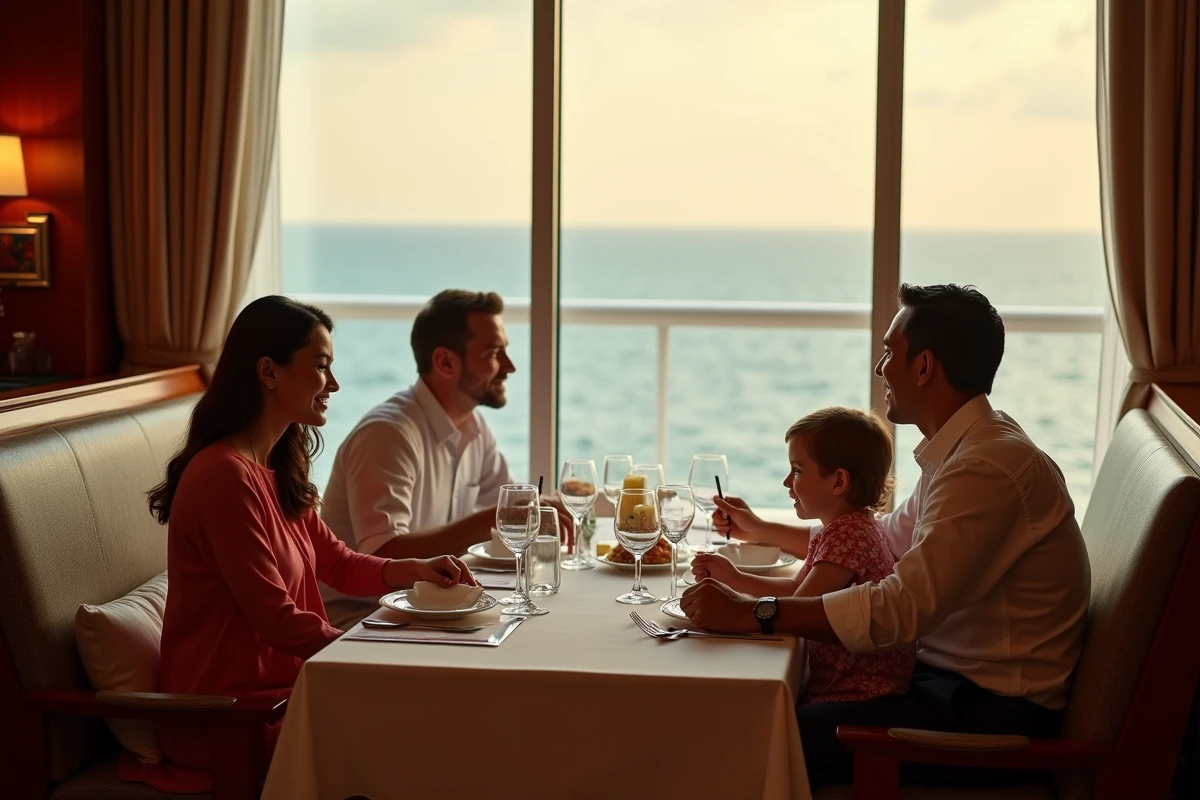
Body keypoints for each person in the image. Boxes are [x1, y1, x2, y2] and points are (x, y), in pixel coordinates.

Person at [681, 283, 1091, 788]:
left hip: (985, 716)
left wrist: (751, 612)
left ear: (923, 367)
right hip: (945, 684)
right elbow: (881, 542)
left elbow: (900, 608)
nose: (880, 370)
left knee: (746, 727)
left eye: (888, 353)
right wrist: (763, 530)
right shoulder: (967, 450)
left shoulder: (986, 468)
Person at [141, 296, 475, 785]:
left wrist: (419, 568)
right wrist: (368, 650)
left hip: (285, 695)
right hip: (229, 718)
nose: (334, 384)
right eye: (321, 367)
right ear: (268, 372)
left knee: (437, 717)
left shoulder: (274, 469)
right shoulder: (222, 478)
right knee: (424, 731)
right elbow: (277, 620)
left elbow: (338, 564)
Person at [320, 289, 569, 630]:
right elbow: (382, 553)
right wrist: (499, 516)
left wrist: (531, 514)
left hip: (434, 608)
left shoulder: (475, 428)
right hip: (364, 619)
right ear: (446, 362)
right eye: (494, 353)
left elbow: (504, 523)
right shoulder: (388, 433)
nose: (509, 366)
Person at [693, 406, 915, 705]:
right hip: (845, 689)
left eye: (797, 470)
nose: (787, 481)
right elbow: (798, 595)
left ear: (838, 482)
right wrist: (734, 577)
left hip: (860, 697)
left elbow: (795, 610)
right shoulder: (844, 528)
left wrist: (734, 607)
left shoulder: (850, 537)